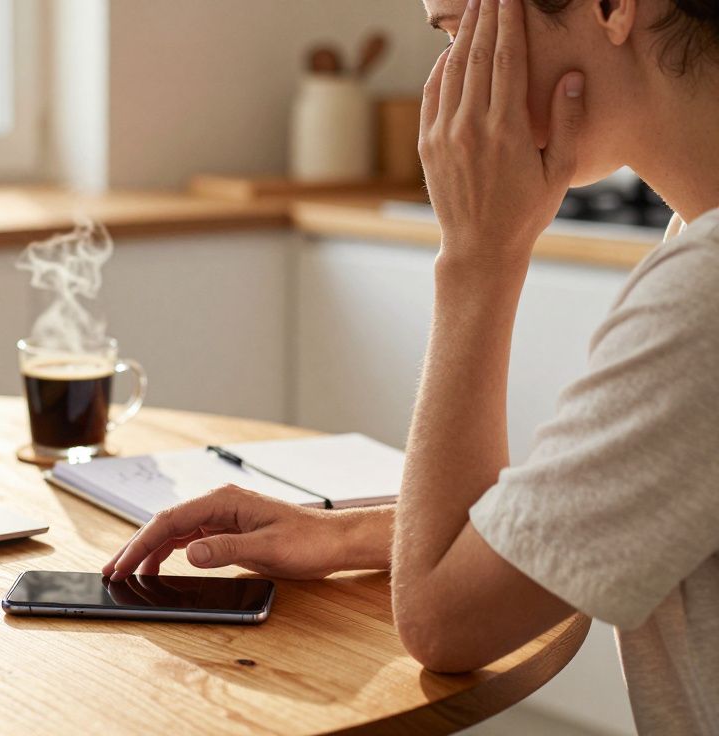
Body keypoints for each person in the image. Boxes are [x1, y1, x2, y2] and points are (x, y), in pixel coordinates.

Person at [104, 0, 719, 732]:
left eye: (463, 29)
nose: (450, 78)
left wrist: (477, 255)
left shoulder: (702, 296)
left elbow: (443, 624)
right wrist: (339, 535)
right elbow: (587, 520)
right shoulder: (695, 246)